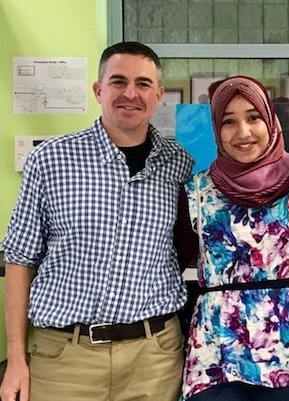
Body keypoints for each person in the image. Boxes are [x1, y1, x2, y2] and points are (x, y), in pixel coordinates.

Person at [0, 42, 194, 401]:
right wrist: (15, 360)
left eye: (143, 84)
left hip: (153, 358)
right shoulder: (50, 161)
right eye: (118, 81)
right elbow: (19, 260)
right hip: (65, 359)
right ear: (98, 90)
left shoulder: (178, 164)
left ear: (158, 95)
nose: (130, 93)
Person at [178, 75, 289, 401]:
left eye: (253, 117)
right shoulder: (197, 192)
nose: (243, 132)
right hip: (215, 351)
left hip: (285, 349)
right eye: (229, 121)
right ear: (217, 130)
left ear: (270, 121)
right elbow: (173, 262)